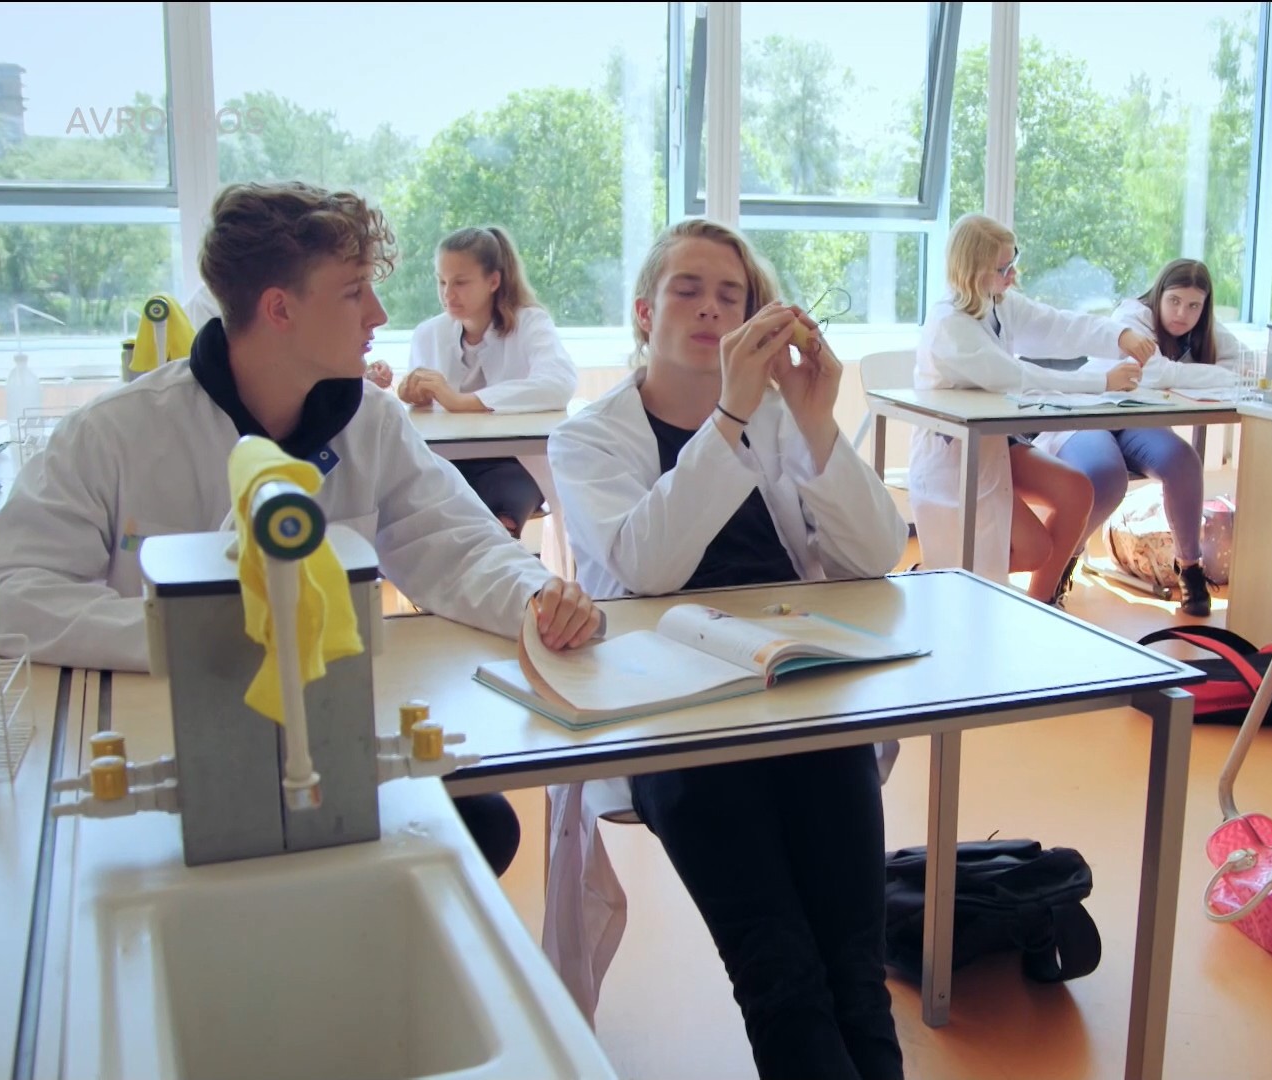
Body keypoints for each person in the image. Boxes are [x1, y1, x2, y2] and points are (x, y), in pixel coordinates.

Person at [0, 181, 603, 877]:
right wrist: (201, 636)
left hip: (322, 735)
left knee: (480, 827)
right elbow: (2, 596)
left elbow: (455, 544)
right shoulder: (116, 433)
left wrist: (536, 597)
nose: (379, 314)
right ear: (279, 308)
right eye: (354, 291)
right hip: (164, 748)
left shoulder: (369, 422)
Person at [547, 219, 908, 1080]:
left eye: (730, 295)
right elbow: (646, 569)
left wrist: (817, 422)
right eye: (688, 290)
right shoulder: (588, 438)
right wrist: (731, 413)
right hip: (676, 718)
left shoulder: (781, 420)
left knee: (856, 967)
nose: (710, 309)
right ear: (644, 312)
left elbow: (875, 553)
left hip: (799, 690)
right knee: (779, 970)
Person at [912, 213, 1151, 604]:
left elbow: (1057, 326)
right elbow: (1016, 377)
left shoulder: (997, 303)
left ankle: (1041, 608)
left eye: (1013, 261)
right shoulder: (949, 325)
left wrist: (1119, 335)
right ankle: (933, 576)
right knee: (1033, 549)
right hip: (954, 453)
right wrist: (1101, 381)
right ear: (972, 270)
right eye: (1002, 267)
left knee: (1077, 492)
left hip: (994, 441)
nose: (1013, 274)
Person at [1039, 258, 1237, 615]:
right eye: (1174, 301)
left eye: (1194, 306)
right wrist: (1210, 375)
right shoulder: (1132, 315)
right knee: (1105, 474)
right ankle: (1064, 560)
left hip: (1135, 420)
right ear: (1159, 295)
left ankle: (1190, 570)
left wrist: (1185, 372)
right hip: (1091, 411)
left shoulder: (1203, 328)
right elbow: (1154, 373)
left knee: (1183, 461)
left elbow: (1240, 367)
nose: (1182, 313)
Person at [403, 226, 578, 537]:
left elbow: (559, 383)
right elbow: (425, 415)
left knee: (496, 514)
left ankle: (501, 551)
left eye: (460, 283)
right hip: (447, 461)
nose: (448, 294)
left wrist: (462, 402)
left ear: (493, 281)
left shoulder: (530, 323)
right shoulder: (428, 334)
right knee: (424, 504)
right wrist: (415, 396)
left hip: (514, 464)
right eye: (442, 282)